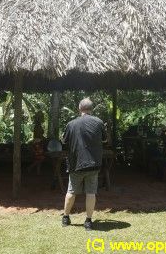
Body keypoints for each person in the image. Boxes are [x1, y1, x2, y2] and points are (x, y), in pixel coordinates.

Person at [61, 98, 107, 231]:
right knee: (91, 193)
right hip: (93, 163)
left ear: (79, 108)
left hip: (76, 164)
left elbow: (64, 141)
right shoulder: (98, 122)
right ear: (91, 109)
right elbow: (104, 139)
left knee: (71, 191)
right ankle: (88, 221)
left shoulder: (71, 124)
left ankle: (65, 217)